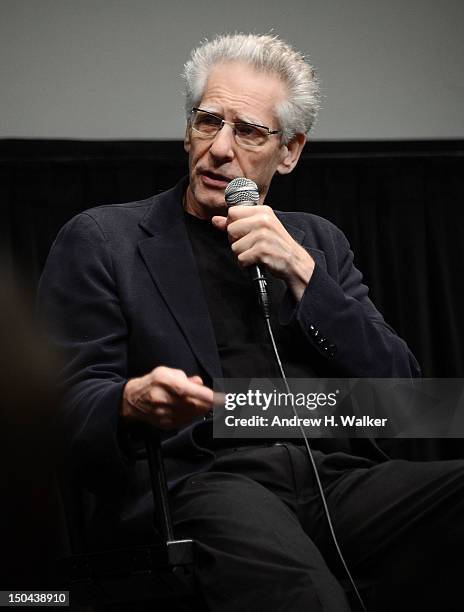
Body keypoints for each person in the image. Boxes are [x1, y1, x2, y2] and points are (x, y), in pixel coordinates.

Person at [38, 33, 464, 611]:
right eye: (208, 120)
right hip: (207, 480)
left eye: (250, 131)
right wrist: (129, 401)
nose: (219, 148)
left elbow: (405, 400)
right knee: (303, 594)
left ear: (289, 151)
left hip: (335, 479)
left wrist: (305, 276)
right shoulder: (104, 241)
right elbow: (57, 405)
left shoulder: (317, 242)